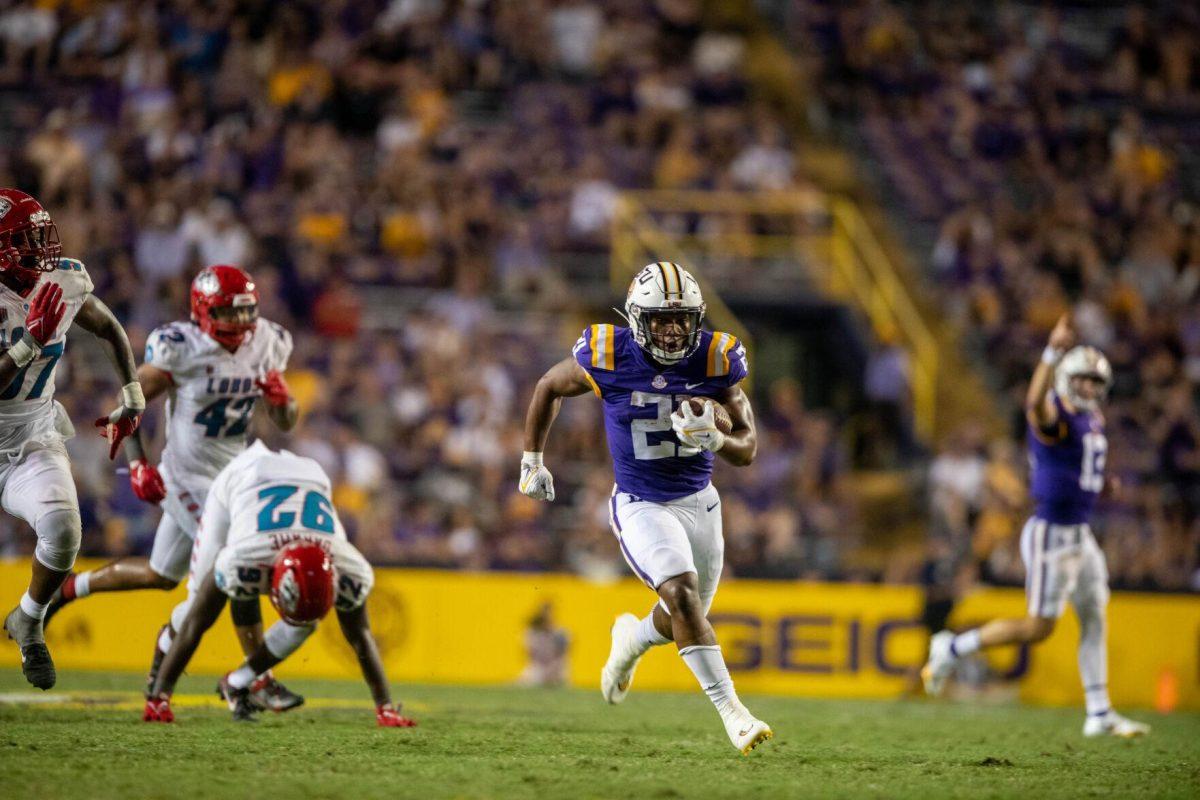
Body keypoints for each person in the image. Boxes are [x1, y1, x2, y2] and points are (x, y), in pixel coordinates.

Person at [519, 261, 771, 755]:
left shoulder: (717, 359)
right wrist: (532, 460)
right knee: (682, 595)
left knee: (680, 612)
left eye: (683, 319)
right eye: (661, 319)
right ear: (637, 319)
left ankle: (629, 641)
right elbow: (549, 384)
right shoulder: (609, 353)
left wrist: (715, 436)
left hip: (701, 504)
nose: (674, 330)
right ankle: (734, 715)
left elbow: (748, 449)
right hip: (641, 502)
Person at [45, 265, 303, 710]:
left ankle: (71, 587)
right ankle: (255, 680)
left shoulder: (269, 341)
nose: (241, 325)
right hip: (187, 477)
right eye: (228, 313)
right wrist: (139, 463)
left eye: (246, 314)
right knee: (237, 559)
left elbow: (286, 421)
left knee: (161, 576)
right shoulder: (182, 348)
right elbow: (129, 404)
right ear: (203, 312)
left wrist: (283, 402)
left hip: (233, 477)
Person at [922, 313, 1150, 738]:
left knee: (1094, 615)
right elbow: (1033, 404)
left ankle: (1099, 712)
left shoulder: (1091, 417)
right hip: (1051, 534)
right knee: (1038, 629)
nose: (1090, 389)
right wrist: (1051, 352)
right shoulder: (1055, 414)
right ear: (1065, 378)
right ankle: (952, 646)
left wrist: (1103, 485)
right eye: (1083, 380)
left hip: (1081, 532)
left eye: (1095, 383)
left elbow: (1076, 470)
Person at [142, 441, 414, 728]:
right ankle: (155, 685)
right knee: (194, 605)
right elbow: (197, 623)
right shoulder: (243, 557)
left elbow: (360, 636)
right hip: (243, 478)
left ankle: (239, 682)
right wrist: (161, 697)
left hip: (311, 477)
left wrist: (385, 707)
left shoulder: (349, 567)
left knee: (305, 622)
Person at [0, 188, 145, 690]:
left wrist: (132, 390)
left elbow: (106, 325)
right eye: (27, 240)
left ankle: (30, 619)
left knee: (63, 530)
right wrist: (27, 347)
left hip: (32, 435)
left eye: (41, 235)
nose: (42, 248)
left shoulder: (60, 277)